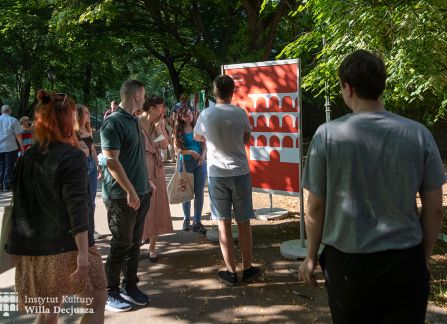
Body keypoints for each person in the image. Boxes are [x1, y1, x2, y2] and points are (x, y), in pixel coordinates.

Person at [299, 49, 444, 324]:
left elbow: (315, 207)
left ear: (347, 87)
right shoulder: (418, 133)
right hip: (405, 262)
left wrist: (310, 257)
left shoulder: (326, 136)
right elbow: (434, 209)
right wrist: (422, 257)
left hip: (348, 267)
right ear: (381, 86)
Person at [6, 90, 107, 323]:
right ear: (66, 119)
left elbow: (16, 192)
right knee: (97, 302)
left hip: (34, 251)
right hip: (68, 248)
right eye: (73, 114)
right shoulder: (71, 156)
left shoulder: (28, 156)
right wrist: (83, 252)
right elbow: (78, 206)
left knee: (49, 311)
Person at [194, 75, 260, 286]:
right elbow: (246, 138)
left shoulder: (205, 114)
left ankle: (231, 272)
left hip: (217, 174)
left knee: (223, 223)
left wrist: (211, 138)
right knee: (244, 222)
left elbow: (197, 137)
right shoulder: (240, 113)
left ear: (215, 92)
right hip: (240, 172)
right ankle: (248, 269)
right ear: (233, 91)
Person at [100, 80, 154, 312]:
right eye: (143, 95)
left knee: (134, 243)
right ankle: (110, 291)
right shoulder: (113, 122)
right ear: (136, 96)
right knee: (121, 244)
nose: (145, 99)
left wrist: (145, 182)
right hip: (121, 196)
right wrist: (131, 190)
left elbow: (133, 156)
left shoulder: (133, 120)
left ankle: (129, 285)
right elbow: (111, 160)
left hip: (140, 192)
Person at [139, 96, 173, 263]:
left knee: (156, 208)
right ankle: (140, 238)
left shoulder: (156, 125)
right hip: (140, 170)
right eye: (161, 107)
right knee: (141, 209)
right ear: (152, 108)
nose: (163, 110)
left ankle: (152, 247)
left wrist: (159, 129)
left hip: (156, 169)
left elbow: (165, 145)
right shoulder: (136, 124)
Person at [174, 106, 207, 234]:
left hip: (199, 163)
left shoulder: (197, 126)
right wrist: (191, 152)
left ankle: (197, 221)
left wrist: (203, 156)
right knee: (186, 193)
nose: (189, 116)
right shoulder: (179, 130)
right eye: (186, 115)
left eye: (190, 113)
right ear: (181, 117)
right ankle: (186, 219)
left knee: (199, 193)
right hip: (186, 162)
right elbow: (178, 149)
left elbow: (204, 143)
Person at [75, 104, 101, 217]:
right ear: (79, 115)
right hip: (81, 164)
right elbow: (81, 152)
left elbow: (92, 149)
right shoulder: (73, 131)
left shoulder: (88, 129)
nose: (88, 114)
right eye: (86, 112)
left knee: (92, 197)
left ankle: (91, 227)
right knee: (83, 197)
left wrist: (98, 164)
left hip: (91, 163)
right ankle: (84, 227)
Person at [0, 105, 24, 191]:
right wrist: (21, 146)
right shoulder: (13, 120)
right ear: (10, 111)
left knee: (1, 165)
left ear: (1, 111)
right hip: (10, 147)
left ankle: (0, 184)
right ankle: (7, 185)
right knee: (9, 166)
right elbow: (18, 135)